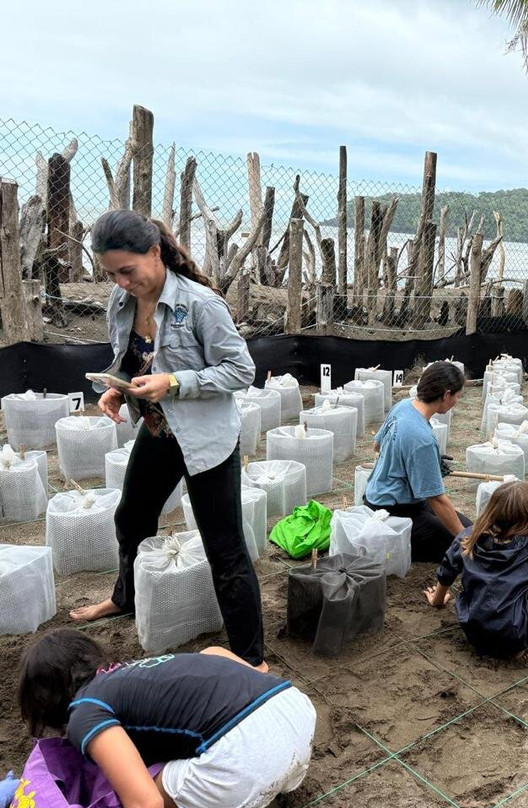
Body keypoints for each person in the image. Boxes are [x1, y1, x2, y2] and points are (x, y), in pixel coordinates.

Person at [70, 210, 264, 669]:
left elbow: (241, 371)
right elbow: (132, 360)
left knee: (224, 546)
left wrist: (176, 382)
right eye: (111, 274)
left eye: (127, 270)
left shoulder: (200, 304)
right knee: (132, 517)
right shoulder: (122, 302)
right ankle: (127, 598)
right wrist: (118, 390)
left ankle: (251, 658)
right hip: (160, 430)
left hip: (206, 438)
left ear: (155, 252)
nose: (121, 283)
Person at [17, 629, 316, 808]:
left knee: (129, 794)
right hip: (294, 710)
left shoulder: (85, 709)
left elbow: (147, 803)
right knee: (210, 652)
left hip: (244, 761)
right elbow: (214, 656)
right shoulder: (132, 671)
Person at [424, 481, 528, 657]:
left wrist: (437, 599)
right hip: (518, 634)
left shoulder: (469, 536)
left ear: (492, 508)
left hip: (475, 633)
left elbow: (448, 568)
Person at [365, 361, 472, 562]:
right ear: (446, 395)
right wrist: (465, 541)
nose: (457, 401)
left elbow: (377, 446)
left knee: (471, 528)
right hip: (391, 510)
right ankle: (395, 546)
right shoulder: (422, 439)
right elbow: (437, 499)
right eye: (457, 396)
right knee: (463, 544)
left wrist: (420, 462)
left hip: (398, 499)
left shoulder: (403, 406)